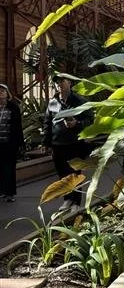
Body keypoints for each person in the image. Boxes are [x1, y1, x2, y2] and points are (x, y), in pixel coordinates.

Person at [42, 74, 92, 213]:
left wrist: (77, 123)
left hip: (75, 143)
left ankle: (76, 201)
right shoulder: (53, 102)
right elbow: (47, 122)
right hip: (58, 144)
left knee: (75, 173)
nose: (59, 84)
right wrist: (46, 142)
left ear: (69, 82)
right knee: (62, 173)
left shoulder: (79, 101)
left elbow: (89, 120)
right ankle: (67, 199)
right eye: (57, 82)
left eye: (62, 81)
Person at [0, 83, 24, 202]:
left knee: (9, 168)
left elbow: (17, 127)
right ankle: (2, 191)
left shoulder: (13, 107)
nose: (0, 94)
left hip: (9, 144)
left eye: (3, 91)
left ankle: (10, 193)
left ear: (7, 94)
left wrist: (19, 143)